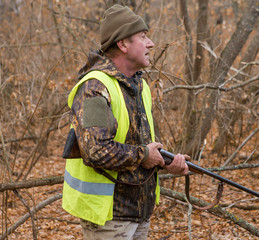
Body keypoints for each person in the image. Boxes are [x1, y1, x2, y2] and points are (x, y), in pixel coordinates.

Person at [62, 4, 189, 240]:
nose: (151, 43)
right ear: (122, 44)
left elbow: (140, 146)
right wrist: (143, 155)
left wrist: (165, 162)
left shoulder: (139, 87)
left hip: (140, 212)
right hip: (108, 218)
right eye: (142, 37)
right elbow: (96, 150)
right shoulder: (94, 88)